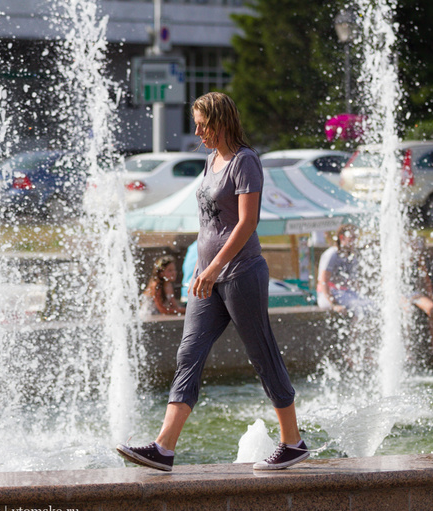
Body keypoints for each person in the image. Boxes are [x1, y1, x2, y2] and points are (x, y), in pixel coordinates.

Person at [116, 92, 308, 472]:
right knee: (188, 354)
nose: (197, 131)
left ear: (221, 121)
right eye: (196, 123)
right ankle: (164, 447)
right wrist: (200, 270)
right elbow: (209, 223)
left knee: (262, 354)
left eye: (203, 124)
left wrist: (215, 267)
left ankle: (293, 442)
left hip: (240, 273)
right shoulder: (209, 160)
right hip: (208, 278)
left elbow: (247, 222)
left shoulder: (245, 161)